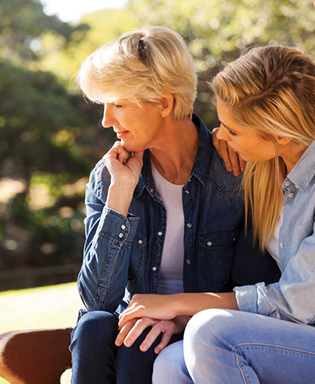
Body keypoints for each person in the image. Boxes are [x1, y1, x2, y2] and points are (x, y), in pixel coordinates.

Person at [117, 45, 315, 383]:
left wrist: (178, 304)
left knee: (210, 331)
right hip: (299, 340)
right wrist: (178, 317)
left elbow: (295, 302)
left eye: (232, 130)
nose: (220, 137)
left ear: (279, 133)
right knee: (171, 363)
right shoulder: (272, 162)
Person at [69, 27, 280, 384]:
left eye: (118, 104)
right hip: (135, 323)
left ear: (164, 103)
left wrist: (177, 315)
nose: (106, 121)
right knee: (92, 328)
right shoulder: (109, 177)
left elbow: (252, 291)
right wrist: (120, 194)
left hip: (209, 330)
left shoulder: (236, 170)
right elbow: (97, 301)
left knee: (141, 346)